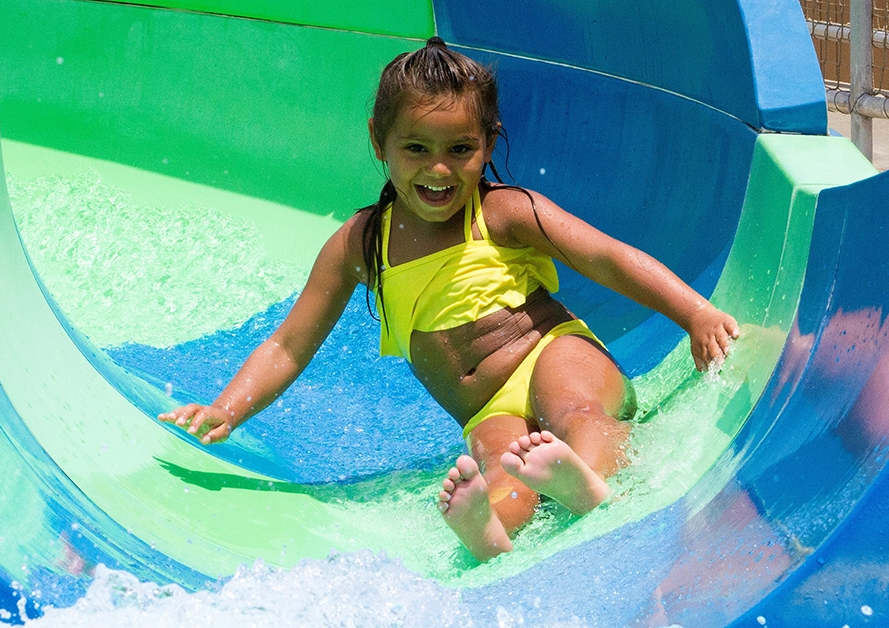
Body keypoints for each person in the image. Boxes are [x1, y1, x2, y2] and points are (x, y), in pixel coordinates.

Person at [159, 38, 739, 561]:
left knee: (579, 414)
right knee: (498, 470)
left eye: (459, 148)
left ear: (488, 144)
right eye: (415, 148)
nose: (438, 169)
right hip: (489, 409)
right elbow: (288, 344)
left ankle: (584, 477)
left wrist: (695, 314)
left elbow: (605, 257)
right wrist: (227, 408)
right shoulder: (360, 245)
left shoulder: (503, 212)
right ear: (377, 141)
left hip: (552, 354)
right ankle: (491, 532)